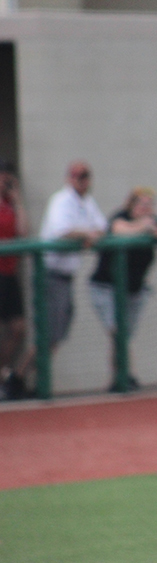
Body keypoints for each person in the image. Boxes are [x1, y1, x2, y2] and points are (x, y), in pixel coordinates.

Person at [2, 161, 107, 399]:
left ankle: (29, 380)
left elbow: (101, 227)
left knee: (55, 336)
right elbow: (62, 230)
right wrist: (85, 233)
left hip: (66, 278)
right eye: (78, 177)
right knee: (46, 335)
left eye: (85, 177)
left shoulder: (86, 202)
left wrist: (89, 232)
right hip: (49, 275)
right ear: (69, 179)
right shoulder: (62, 200)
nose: (82, 181)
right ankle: (16, 379)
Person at [89, 186, 157, 392]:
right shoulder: (121, 217)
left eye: (149, 205)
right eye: (141, 204)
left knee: (123, 336)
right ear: (131, 204)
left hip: (134, 291)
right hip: (106, 288)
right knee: (117, 332)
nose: (146, 208)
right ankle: (123, 376)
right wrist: (145, 228)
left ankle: (122, 377)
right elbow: (118, 229)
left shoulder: (154, 222)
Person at [0, 161, 29, 400]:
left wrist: (17, 200)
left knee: (18, 327)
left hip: (9, 274)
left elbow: (24, 233)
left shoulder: (10, 204)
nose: (5, 180)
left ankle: (4, 373)